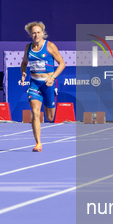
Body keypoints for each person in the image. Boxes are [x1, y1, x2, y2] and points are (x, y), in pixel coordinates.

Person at [20, 22, 66, 152]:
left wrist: (52, 77)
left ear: (42, 33)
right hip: (35, 83)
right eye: (34, 33)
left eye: (38, 32)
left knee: (50, 117)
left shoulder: (50, 46)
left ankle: (45, 116)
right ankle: (38, 143)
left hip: (48, 84)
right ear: (30, 34)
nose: (36, 35)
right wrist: (23, 73)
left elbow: (62, 64)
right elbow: (24, 63)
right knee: (35, 112)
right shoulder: (28, 48)